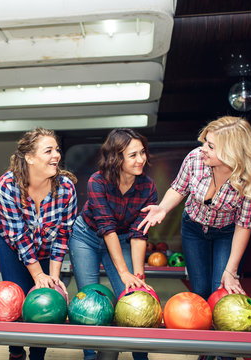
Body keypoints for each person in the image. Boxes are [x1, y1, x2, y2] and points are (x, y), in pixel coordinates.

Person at [139, 116, 251, 300]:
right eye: (206, 141)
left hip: (227, 233)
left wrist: (231, 271)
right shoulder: (195, 158)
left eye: (211, 146)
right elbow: (179, 188)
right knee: (201, 290)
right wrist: (163, 208)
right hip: (193, 228)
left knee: (221, 289)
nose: (203, 148)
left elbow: (243, 225)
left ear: (232, 152)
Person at [68, 128, 157, 360]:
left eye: (142, 153)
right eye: (133, 155)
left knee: (133, 294)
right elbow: (107, 228)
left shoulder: (148, 187)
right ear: (117, 158)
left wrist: (136, 275)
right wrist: (124, 271)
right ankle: (91, 355)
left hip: (124, 238)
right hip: (86, 237)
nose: (141, 159)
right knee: (89, 298)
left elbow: (139, 233)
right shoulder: (97, 181)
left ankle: (141, 356)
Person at [0, 127, 77, 360]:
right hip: (12, 243)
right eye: (48, 150)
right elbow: (18, 235)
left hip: (47, 245)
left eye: (57, 150)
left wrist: (53, 277)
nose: (56, 156)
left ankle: (37, 354)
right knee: (17, 294)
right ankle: (15, 349)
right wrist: (37, 273)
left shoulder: (66, 188)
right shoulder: (7, 185)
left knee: (45, 296)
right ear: (29, 158)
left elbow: (63, 234)